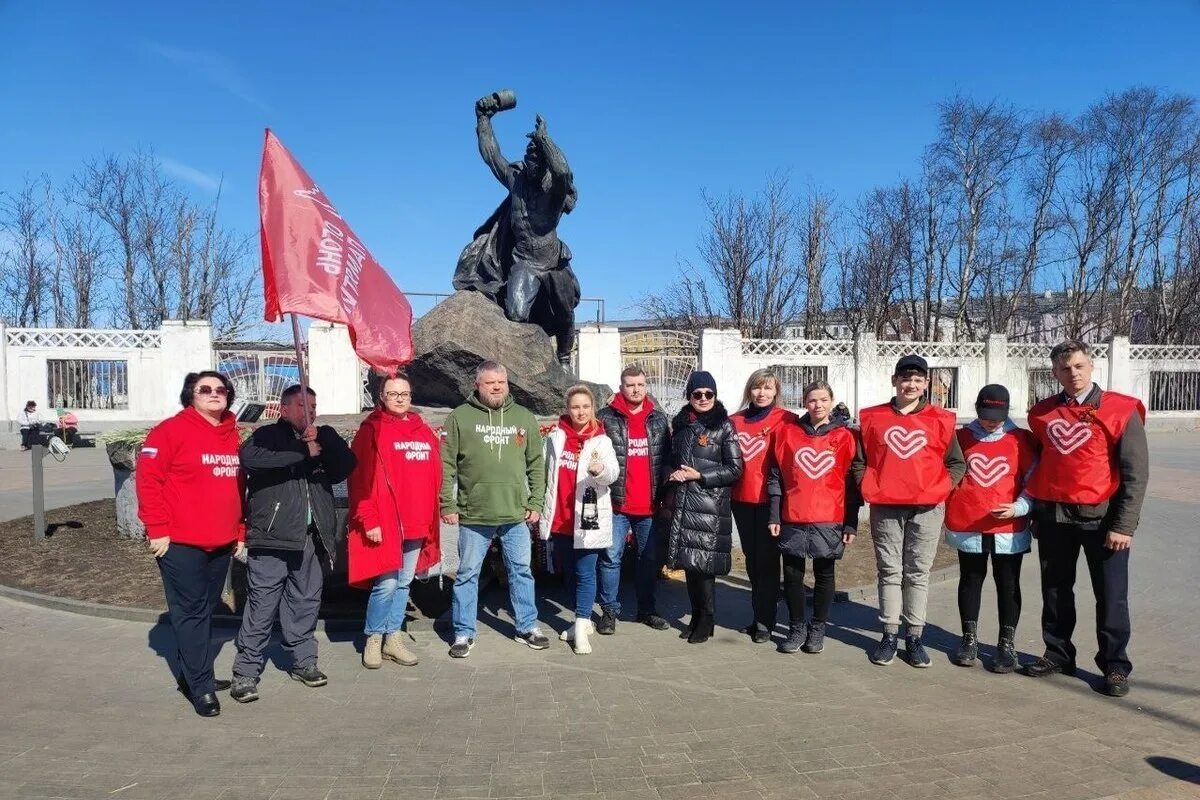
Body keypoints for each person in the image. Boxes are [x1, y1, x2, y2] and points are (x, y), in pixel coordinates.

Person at [1023, 341, 1148, 697]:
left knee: (1111, 595)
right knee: (1055, 590)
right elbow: (1039, 463)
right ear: (1055, 373)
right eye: (1065, 369)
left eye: (1079, 366)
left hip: (1103, 521)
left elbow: (1135, 473)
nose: (1073, 374)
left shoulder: (1121, 410)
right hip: (1054, 519)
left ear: (1092, 366)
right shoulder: (1042, 413)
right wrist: (1035, 512)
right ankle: (1058, 652)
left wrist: (1124, 525)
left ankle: (1114, 665)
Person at [230, 385, 356, 703]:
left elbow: (345, 466)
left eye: (313, 405)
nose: (309, 411)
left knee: (305, 602)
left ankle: (304, 662)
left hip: (311, 538)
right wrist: (301, 452)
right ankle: (245, 673)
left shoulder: (320, 436)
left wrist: (323, 441)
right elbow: (250, 460)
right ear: (284, 409)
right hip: (273, 536)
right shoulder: (267, 436)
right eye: (302, 405)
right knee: (262, 606)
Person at [137, 371, 245, 717]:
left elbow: (238, 489)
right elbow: (148, 481)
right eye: (206, 389)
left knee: (206, 609)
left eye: (221, 389)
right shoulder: (169, 431)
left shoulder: (232, 434)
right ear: (191, 395)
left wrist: (238, 532)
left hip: (221, 541)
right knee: (191, 613)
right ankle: (200, 686)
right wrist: (157, 529)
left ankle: (192, 673)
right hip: (179, 542)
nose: (215, 394)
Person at [851, 354, 966, 668]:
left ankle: (914, 636)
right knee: (890, 571)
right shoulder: (873, 418)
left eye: (917, 379)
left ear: (926, 383)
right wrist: (866, 484)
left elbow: (956, 463)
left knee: (917, 573)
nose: (911, 384)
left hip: (927, 509)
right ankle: (889, 634)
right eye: (905, 378)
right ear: (895, 380)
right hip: (886, 507)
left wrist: (942, 488)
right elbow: (860, 460)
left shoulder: (940, 419)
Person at [443, 360, 550, 658]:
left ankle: (527, 626)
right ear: (478, 385)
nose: (497, 387)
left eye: (501, 382)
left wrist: (536, 501)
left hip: (515, 514)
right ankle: (463, 632)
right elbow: (446, 466)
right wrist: (447, 503)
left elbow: (536, 466)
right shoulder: (459, 418)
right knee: (466, 574)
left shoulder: (523, 417)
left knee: (521, 572)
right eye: (491, 383)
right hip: (474, 515)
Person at [348, 372, 443, 670]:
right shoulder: (371, 430)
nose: (400, 398)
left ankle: (393, 637)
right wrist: (369, 519)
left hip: (417, 520)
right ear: (382, 397)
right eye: (393, 394)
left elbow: (435, 472)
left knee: (404, 583)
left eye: (404, 393)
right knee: (386, 583)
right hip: (386, 521)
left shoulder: (423, 430)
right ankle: (373, 638)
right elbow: (360, 479)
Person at [944, 384, 1038, 673]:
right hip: (969, 523)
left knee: (1008, 583)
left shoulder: (1021, 440)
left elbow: (1033, 481)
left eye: (996, 416)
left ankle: (1006, 644)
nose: (990, 421)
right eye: (985, 414)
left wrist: (1019, 507)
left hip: (1008, 525)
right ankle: (969, 639)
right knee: (971, 579)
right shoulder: (960, 438)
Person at [767, 381, 861, 654]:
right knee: (793, 575)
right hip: (793, 516)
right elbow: (776, 477)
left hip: (829, 517)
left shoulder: (845, 437)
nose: (817, 405)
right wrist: (774, 514)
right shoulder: (787, 433)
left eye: (823, 400)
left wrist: (851, 522)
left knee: (824, 574)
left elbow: (850, 483)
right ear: (804, 402)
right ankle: (796, 627)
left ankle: (818, 628)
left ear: (831, 401)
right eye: (811, 400)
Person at [658, 371, 743, 644]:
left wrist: (700, 475)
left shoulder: (724, 427)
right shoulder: (681, 425)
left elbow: (735, 468)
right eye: (698, 394)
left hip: (709, 506)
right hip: (684, 504)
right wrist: (671, 474)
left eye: (709, 394)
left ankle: (706, 621)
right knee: (690, 566)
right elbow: (672, 459)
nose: (703, 399)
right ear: (689, 396)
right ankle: (696, 617)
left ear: (715, 396)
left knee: (704, 568)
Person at [539, 385, 620, 654]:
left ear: (592, 409)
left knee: (586, 573)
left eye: (586, 406)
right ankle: (579, 621)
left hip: (587, 519)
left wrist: (600, 471)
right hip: (561, 519)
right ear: (567, 409)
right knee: (570, 573)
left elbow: (613, 473)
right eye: (575, 407)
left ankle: (583, 627)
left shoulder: (601, 440)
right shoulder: (555, 437)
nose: (581, 411)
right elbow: (544, 472)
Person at [595, 366, 672, 634]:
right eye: (630, 385)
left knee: (648, 559)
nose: (636, 389)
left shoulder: (659, 420)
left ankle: (646, 610)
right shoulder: (606, 417)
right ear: (621, 387)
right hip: (617, 505)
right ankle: (609, 612)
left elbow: (668, 460)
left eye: (640, 384)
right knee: (610, 558)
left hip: (649, 507)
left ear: (646, 385)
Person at [730, 368, 797, 643]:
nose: (762, 393)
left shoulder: (787, 420)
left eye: (768, 388)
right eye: (757, 387)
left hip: (772, 502)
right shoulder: (734, 421)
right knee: (751, 560)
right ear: (749, 390)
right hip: (742, 500)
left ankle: (765, 622)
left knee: (768, 562)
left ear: (776, 392)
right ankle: (758, 614)